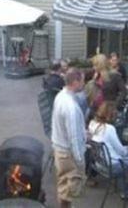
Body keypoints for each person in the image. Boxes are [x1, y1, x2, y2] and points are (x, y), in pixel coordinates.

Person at [88, 102, 128, 195]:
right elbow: (120, 151)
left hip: (99, 163)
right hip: (111, 166)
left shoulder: (92, 124)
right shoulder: (109, 129)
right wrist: (127, 151)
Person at [51, 68, 87, 208]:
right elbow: (74, 137)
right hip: (68, 154)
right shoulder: (71, 107)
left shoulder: (60, 96)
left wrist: (84, 133)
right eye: (82, 81)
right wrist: (79, 160)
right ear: (75, 82)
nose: (84, 84)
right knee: (68, 191)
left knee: (63, 188)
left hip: (59, 148)